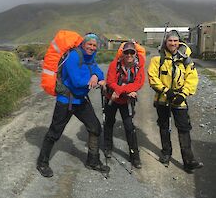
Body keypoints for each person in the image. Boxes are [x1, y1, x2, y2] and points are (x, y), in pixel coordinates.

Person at [36, 33, 110, 177]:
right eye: (89, 44)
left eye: (94, 46)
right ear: (83, 43)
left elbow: (98, 70)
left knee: (95, 128)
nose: (92, 48)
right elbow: (76, 82)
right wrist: (94, 80)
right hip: (66, 101)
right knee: (54, 133)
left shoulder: (91, 57)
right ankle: (42, 163)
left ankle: (92, 161)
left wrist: (96, 76)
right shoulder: (73, 57)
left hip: (81, 100)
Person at [148, 30, 203, 172]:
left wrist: (183, 94)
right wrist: (166, 91)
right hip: (162, 99)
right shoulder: (157, 59)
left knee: (184, 129)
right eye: (170, 41)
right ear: (165, 42)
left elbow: (192, 78)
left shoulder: (186, 60)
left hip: (180, 100)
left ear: (179, 42)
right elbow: (153, 78)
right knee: (164, 126)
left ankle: (189, 161)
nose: (173, 43)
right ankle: (166, 153)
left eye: (175, 41)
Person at [103, 41, 145, 169]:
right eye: (126, 52)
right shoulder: (114, 65)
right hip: (111, 98)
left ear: (135, 53)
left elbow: (139, 84)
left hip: (124, 100)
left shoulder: (139, 67)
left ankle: (135, 156)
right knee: (109, 122)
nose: (129, 54)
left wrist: (120, 90)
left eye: (132, 52)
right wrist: (127, 89)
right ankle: (108, 147)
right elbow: (110, 81)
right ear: (122, 53)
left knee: (129, 127)